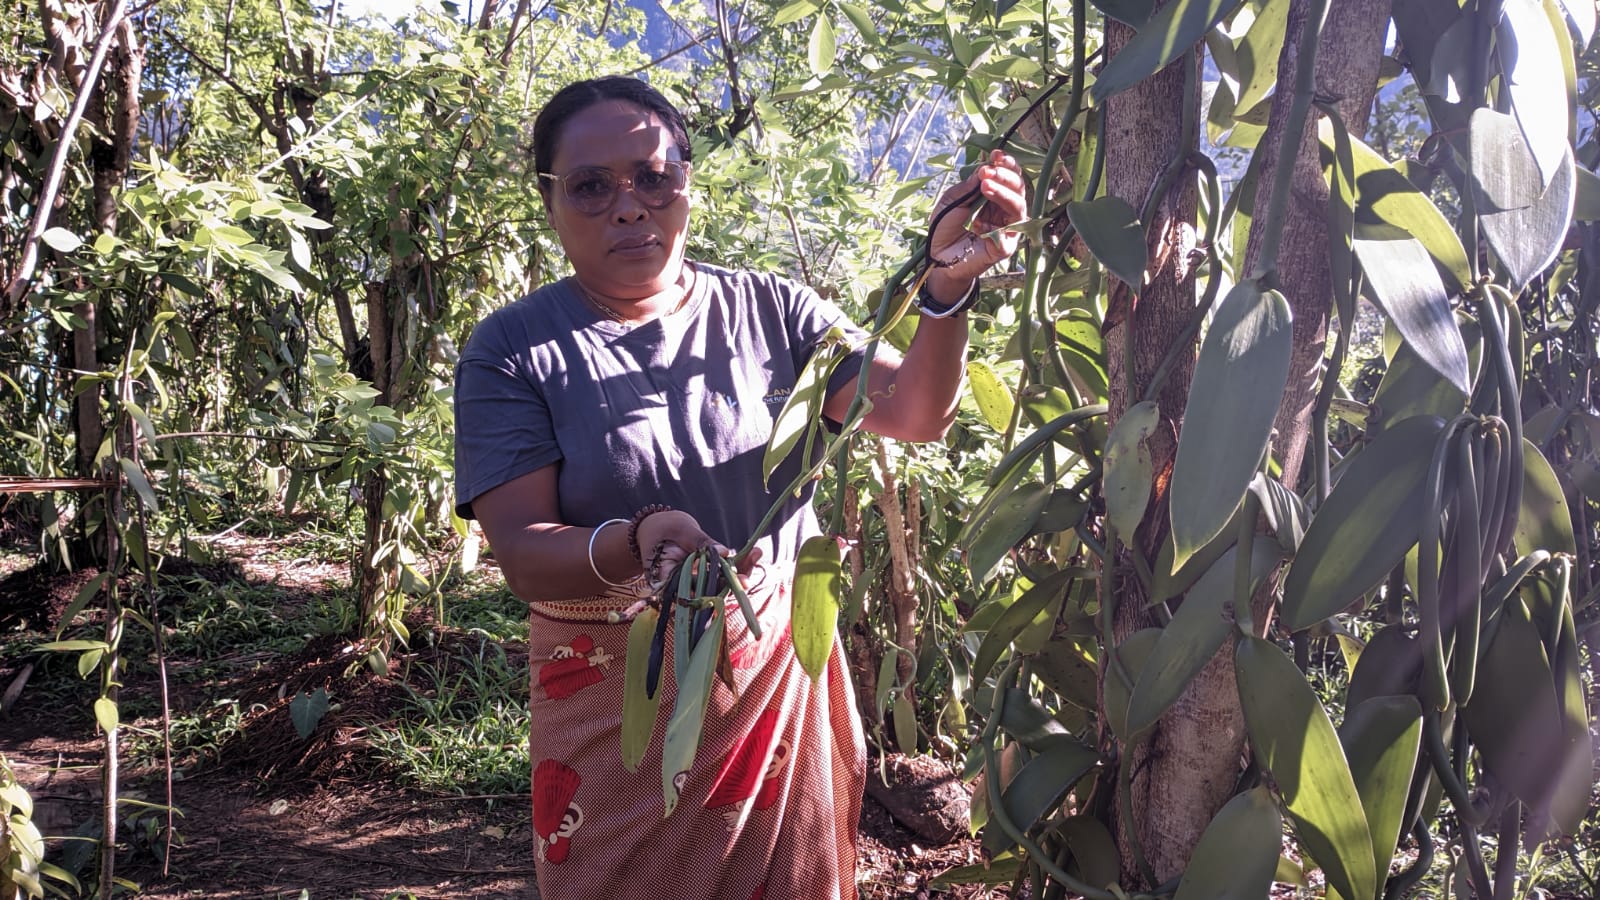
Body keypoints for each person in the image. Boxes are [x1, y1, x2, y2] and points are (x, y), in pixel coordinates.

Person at [453, 75, 1026, 900]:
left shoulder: (771, 313)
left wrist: (945, 287)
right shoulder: (514, 350)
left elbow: (915, 411)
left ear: (688, 182)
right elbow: (522, 553)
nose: (629, 207)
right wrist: (637, 542)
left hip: (775, 689)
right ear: (550, 202)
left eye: (654, 177)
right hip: (616, 707)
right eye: (591, 186)